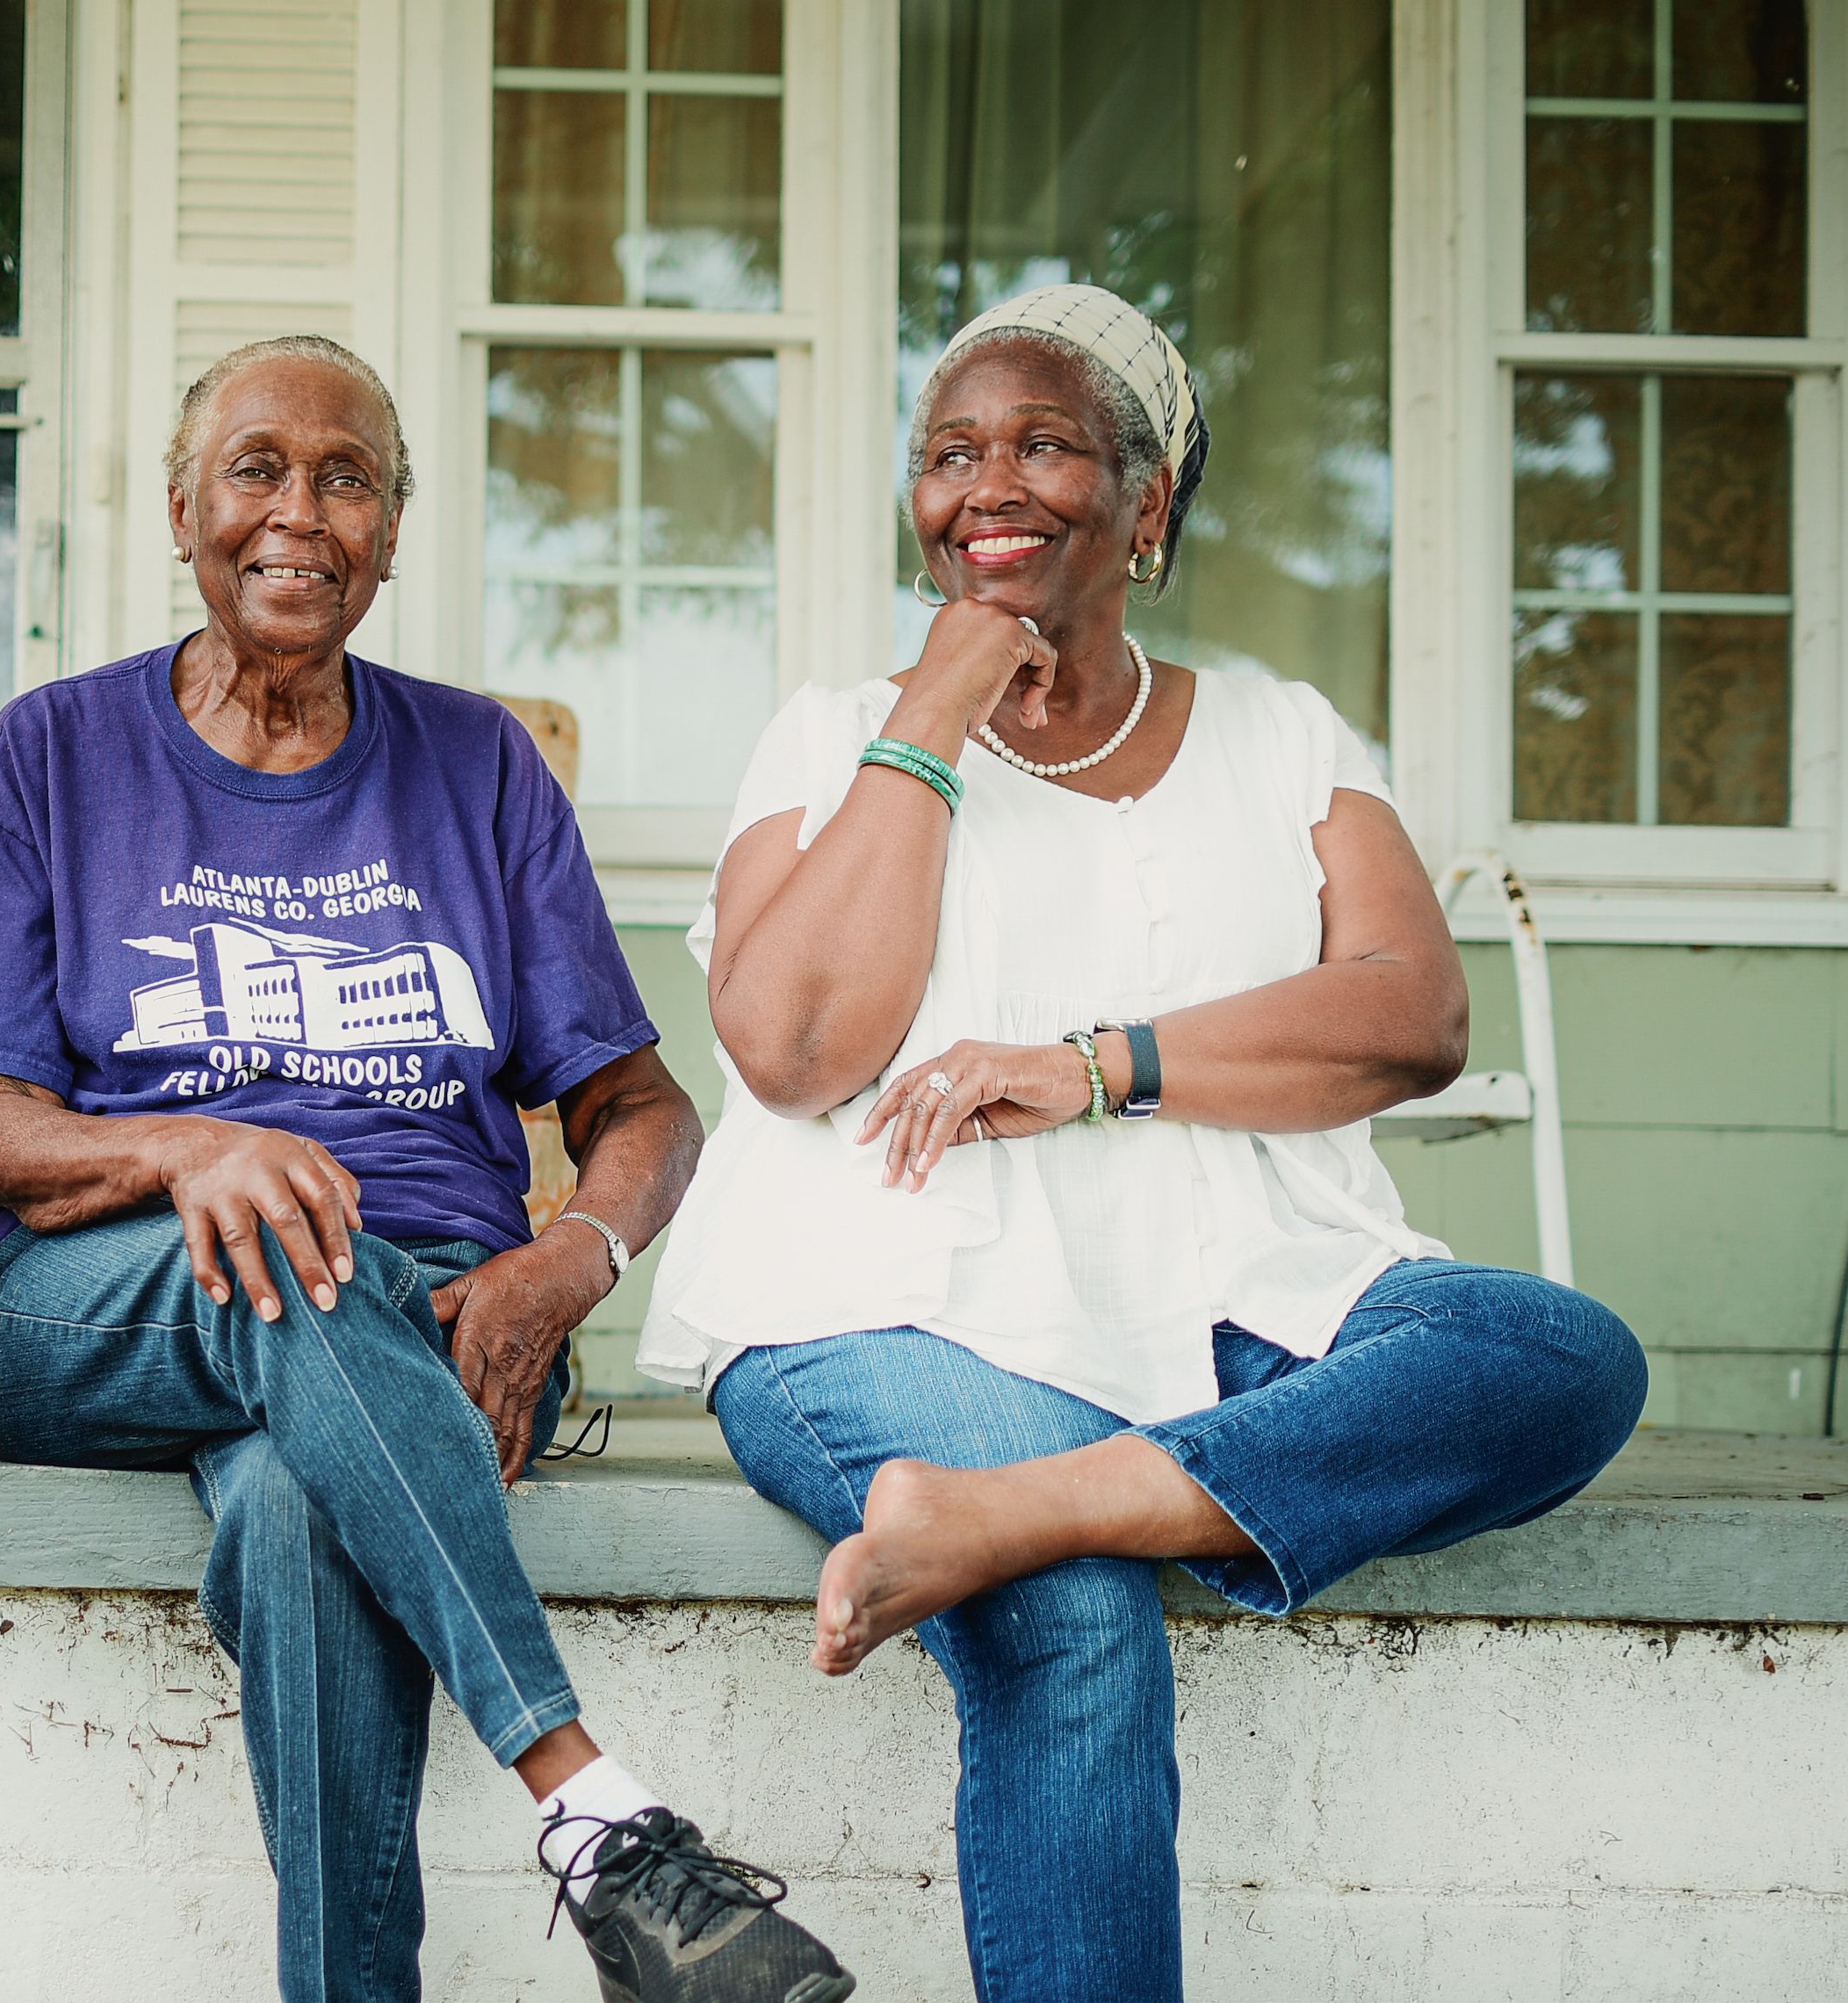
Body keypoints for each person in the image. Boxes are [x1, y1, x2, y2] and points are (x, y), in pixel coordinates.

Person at [649, 284, 1650, 2000]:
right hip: (880, 1308)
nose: (991, 483)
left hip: (1242, 1298)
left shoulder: (1282, 737)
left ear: (1149, 502)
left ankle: (1026, 1505)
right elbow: (798, 1047)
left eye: (1045, 441)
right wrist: (939, 711)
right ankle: (1054, 1521)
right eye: (950, 450)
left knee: (1559, 1353)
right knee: (1079, 1616)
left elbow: (1412, 1011)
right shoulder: (831, 734)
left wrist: (1097, 1064)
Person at [0, 334, 854, 2003]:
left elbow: (646, 1112)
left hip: (429, 1328)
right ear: (187, 509)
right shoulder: (56, 753)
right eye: (257, 471)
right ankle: (591, 1810)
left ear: (394, 531)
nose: (299, 511)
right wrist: (198, 1147)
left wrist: (568, 1271)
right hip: (92, 1306)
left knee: (294, 1507)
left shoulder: (478, 765)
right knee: (293, 1253)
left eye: (347, 479)